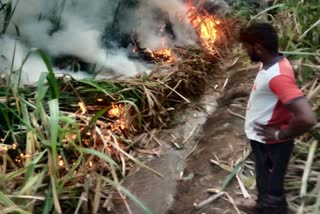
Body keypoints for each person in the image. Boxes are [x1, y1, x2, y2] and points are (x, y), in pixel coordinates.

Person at [238, 23, 317, 214]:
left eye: (246, 47)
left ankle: (272, 208)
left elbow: (307, 118)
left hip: (271, 142)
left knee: (273, 191)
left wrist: (281, 134)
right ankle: (262, 204)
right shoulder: (273, 64)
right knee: (265, 178)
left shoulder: (277, 76)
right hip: (264, 139)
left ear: (258, 48)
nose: (244, 50)